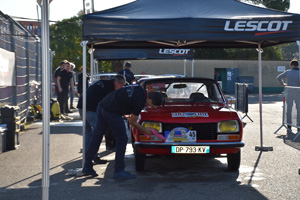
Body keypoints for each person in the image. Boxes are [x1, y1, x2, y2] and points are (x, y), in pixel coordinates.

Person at [82, 85, 163, 179]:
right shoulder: (139, 102)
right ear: (150, 100)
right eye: (153, 105)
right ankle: (119, 171)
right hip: (112, 111)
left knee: (97, 137)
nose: (152, 107)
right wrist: (145, 130)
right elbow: (133, 122)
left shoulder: (139, 89)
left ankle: (87, 166)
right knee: (122, 139)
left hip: (103, 105)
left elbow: (125, 98)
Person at [77, 75, 126, 164]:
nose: (121, 88)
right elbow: (109, 105)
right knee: (97, 133)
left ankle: (88, 156)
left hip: (81, 106)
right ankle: (92, 157)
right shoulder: (110, 88)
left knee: (88, 132)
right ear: (116, 82)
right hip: (90, 109)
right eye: (121, 86)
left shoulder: (103, 83)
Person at [277, 59, 300, 132]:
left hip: (289, 92)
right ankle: (298, 125)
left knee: (289, 109)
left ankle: (289, 125)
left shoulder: (288, 72)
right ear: (297, 65)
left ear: (292, 65)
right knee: (298, 109)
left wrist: (283, 84)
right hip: (298, 92)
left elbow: (278, 77)